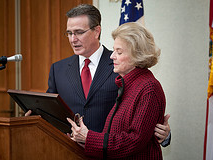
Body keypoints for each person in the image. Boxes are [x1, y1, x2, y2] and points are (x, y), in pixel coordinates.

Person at [25, 4, 170, 145]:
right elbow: (50, 111)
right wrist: (36, 117)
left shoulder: (123, 67)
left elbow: (141, 119)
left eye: (79, 32)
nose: (72, 39)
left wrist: (165, 135)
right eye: (69, 33)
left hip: (110, 152)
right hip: (67, 150)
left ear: (96, 31)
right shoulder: (58, 69)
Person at [67, 22, 166, 159]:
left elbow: (134, 141)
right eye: (114, 50)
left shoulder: (149, 88)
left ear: (137, 55)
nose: (112, 56)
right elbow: (115, 134)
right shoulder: (127, 85)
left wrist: (89, 137)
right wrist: (84, 140)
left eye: (119, 52)